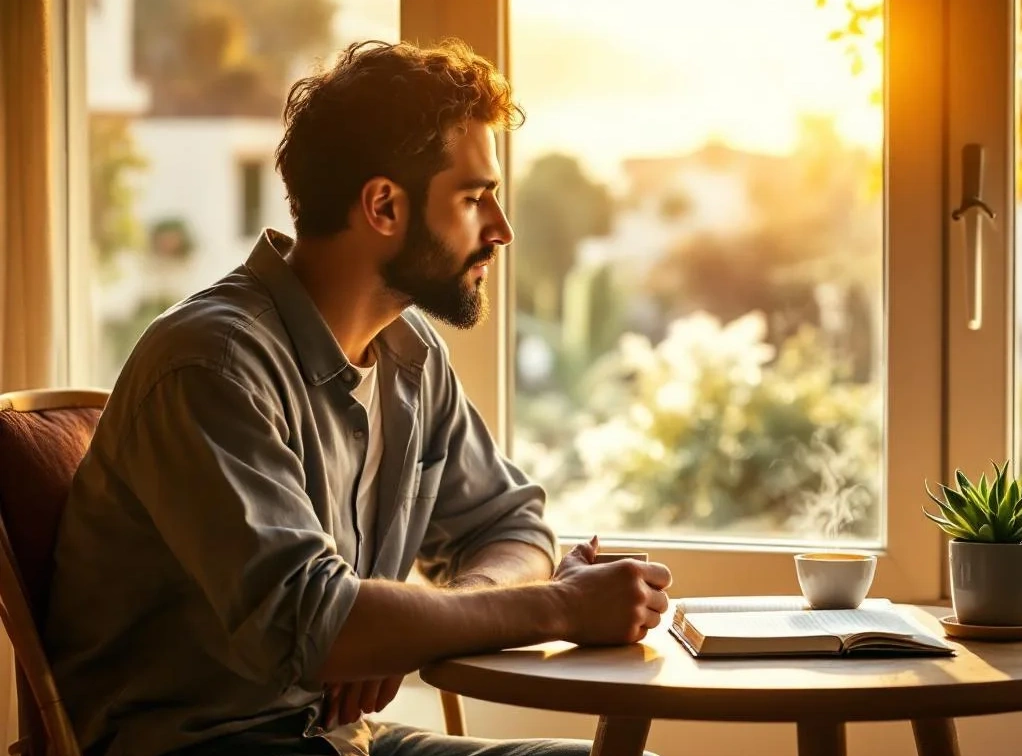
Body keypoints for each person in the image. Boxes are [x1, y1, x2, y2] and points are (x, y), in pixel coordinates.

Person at [43, 38, 672, 756]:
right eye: (473, 199)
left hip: (345, 740)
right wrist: (558, 606)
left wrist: (396, 628)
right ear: (382, 206)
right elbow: (319, 627)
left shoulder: (411, 355)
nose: (500, 231)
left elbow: (512, 526)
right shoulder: (211, 367)